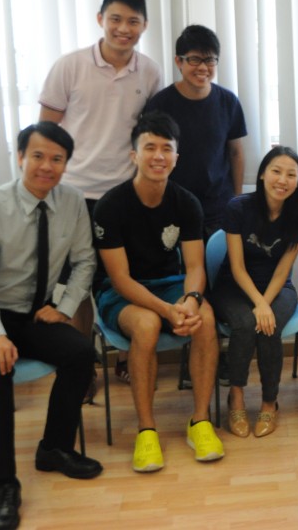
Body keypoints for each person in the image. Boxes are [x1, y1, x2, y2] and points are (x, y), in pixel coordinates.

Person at [0, 122, 102, 530]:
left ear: (66, 164)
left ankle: (54, 448)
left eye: (57, 159)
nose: (46, 166)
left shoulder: (72, 201)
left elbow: (85, 261)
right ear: (20, 157)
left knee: (80, 353)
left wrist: (65, 308)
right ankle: (4, 484)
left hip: (34, 313)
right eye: (37, 156)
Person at [39, 0, 163, 385]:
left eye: (133, 21)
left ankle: (127, 356)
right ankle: (81, 365)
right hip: (74, 195)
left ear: (144, 26)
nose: (123, 29)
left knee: (127, 278)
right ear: (100, 20)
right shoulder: (70, 66)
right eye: (115, 19)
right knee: (76, 285)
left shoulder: (150, 72)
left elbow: (150, 134)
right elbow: (46, 133)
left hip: (126, 196)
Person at [92, 111, 224, 473]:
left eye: (166, 148)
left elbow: (194, 267)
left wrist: (191, 300)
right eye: (150, 147)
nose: (158, 156)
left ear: (176, 158)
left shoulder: (186, 202)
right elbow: (120, 278)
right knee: (147, 325)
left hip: (170, 284)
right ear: (134, 155)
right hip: (119, 292)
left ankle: (200, 421)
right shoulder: (110, 206)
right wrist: (167, 311)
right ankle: (146, 430)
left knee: (205, 317)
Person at [211, 147, 298, 438]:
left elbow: (282, 272)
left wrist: (265, 304)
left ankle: (270, 402)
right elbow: (237, 267)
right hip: (234, 285)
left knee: (269, 326)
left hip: (277, 288)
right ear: (262, 174)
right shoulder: (238, 208)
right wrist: (259, 303)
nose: (283, 180)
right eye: (276, 171)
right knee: (246, 323)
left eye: (291, 174)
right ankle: (236, 397)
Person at [143, 25, 247, 237]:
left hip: (218, 209)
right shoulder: (160, 104)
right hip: (173, 207)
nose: (203, 67)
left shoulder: (228, 102)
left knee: (220, 258)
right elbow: (149, 157)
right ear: (178, 62)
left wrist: (236, 200)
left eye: (210, 60)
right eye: (194, 59)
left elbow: (236, 153)